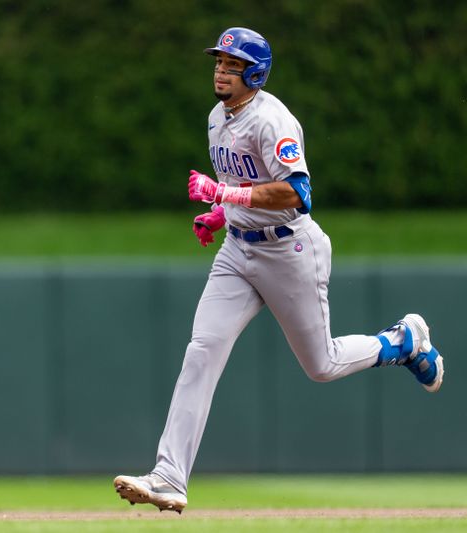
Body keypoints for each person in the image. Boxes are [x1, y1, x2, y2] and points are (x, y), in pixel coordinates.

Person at [113, 27, 444, 514]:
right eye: (219, 62)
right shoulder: (216, 119)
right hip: (237, 252)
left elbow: (298, 192)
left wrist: (225, 196)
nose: (221, 71)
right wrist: (221, 214)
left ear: (256, 72)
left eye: (232, 64)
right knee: (201, 351)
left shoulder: (273, 120)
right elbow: (242, 182)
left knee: (322, 365)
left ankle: (402, 342)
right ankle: (169, 476)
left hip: (289, 251)